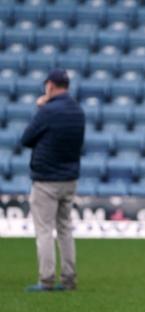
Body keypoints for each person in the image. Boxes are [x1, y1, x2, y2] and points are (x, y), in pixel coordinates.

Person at [21, 69, 85, 292]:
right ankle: (69, 279)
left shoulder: (48, 111)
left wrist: (41, 107)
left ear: (50, 86)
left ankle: (46, 280)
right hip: (69, 179)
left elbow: (26, 138)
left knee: (45, 231)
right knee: (65, 229)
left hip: (46, 180)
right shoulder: (78, 110)